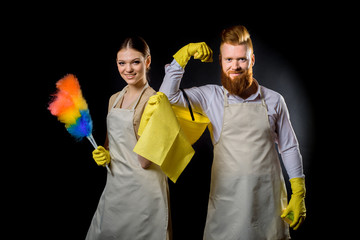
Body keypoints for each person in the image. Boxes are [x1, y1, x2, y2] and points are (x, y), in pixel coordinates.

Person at [160, 25, 306, 239]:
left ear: (252, 60)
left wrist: (299, 191)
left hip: (268, 202)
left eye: (241, 59)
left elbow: (289, 147)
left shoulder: (274, 100)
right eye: (229, 60)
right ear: (220, 60)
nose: (235, 66)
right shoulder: (211, 97)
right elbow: (166, 98)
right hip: (227, 204)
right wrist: (183, 55)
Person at [86, 36, 171, 240]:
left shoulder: (155, 101)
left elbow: (145, 160)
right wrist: (103, 154)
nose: (128, 69)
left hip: (144, 190)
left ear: (147, 61)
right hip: (115, 188)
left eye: (135, 62)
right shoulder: (113, 99)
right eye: (121, 63)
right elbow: (110, 143)